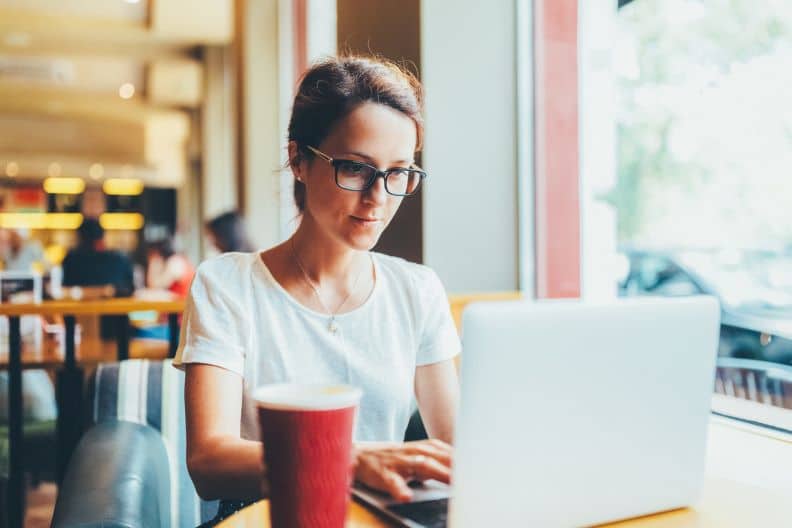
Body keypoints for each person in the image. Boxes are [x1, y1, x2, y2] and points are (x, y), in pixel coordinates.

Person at [176, 56, 460, 521]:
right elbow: (208, 461)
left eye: (398, 173)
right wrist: (352, 460)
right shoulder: (227, 285)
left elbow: (457, 447)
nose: (378, 198)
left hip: (378, 517)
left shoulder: (417, 290)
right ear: (298, 160)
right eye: (355, 169)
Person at [61, 218, 134, 297]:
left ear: (80, 238)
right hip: (117, 308)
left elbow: (64, 290)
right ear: (102, 238)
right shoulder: (119, 259)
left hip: (79, 308)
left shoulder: (71, 259)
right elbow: (130, 289)